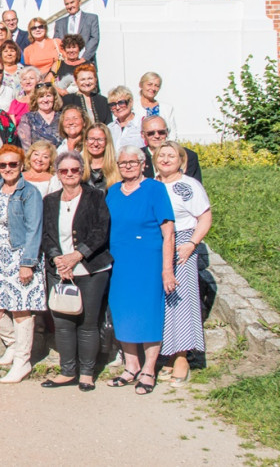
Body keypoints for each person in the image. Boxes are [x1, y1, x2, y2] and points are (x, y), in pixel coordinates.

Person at [105, 145, 176, 395]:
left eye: (132, 162)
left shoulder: (155, 189)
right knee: (122, 311)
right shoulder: (113, 192)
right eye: (123, 163)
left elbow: (168, 231)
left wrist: (167, 269)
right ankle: (131, 365)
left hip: (148, 259)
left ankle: (149, 369)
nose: (127, 166)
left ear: (143, 163)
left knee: (148, 312)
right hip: (119, 261)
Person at [40, 150, 112, 392]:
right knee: (62, 322)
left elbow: (101, 230)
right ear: (57, 174)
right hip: (60, 269)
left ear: (82, 172)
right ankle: (67, 370)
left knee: (87, 323)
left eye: (74, 170)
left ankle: (87, 373)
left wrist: (76, 255)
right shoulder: (50, 201)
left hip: (90, 268)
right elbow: (46, 234)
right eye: (64, 170)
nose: (69, 174)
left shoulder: (95, 196)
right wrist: (58, 259)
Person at [0, 145, 46, 383]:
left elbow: (34, 229)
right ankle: (12, 343)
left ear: (21, 166)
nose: (8, 169)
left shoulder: (29, 192)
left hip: (19, 254)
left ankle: (22, 361)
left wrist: (27, 263)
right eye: (3, 164)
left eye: (13, 164)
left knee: (21, 309)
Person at [156, 141, 212, 387]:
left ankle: (182, 357)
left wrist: (192, 243)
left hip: (182, 245)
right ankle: (167, 354)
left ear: (181, 160)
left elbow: (205, 217)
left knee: (180, 299)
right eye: (162, 155)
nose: (166, 159)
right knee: (161, 302)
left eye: (171, 155)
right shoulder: (152, 184)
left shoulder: (188, 186)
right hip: (155, 245)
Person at [141, 116, 201, 180]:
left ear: (167, 133)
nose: (157, 136)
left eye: (161, 132)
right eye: (151, 133)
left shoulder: (187, 156)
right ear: (143, 135)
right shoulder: (137, 157)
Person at [54, 0, 100, 65]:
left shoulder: (91, 18)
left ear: (79, 2)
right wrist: (66, 59)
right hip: (66, 63)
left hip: (86, 61)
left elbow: (94, 39)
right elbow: (57, 43)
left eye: (72, 2)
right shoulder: (59, 23)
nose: (69, 6)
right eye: (67, 4)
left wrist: (83, 58)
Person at [17, 83, 63, 149]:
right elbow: (26, 147)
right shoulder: (28, 118)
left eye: (48, 96)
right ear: (36, 99)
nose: (45, 100)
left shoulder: (62, 116)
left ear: (54, 97)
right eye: (41, 97)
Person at [135, 71, 177, 136]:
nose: (153, 88)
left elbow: (172, 134)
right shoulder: (132, 107)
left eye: (157, 86)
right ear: (141, 85)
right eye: (149, 84)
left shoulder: (167, 109)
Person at [81, 123, 121, 191]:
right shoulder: (79, 168)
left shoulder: (117, 168)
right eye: (91, 139)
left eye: (100, 140)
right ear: (85, 141)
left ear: (107, 142)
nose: (96, 144)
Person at [107, 85, 144, 150]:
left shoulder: (142, 124)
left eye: (121, 103)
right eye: (113, 105)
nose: (117, 107)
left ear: (131, 102)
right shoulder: (109, 128)